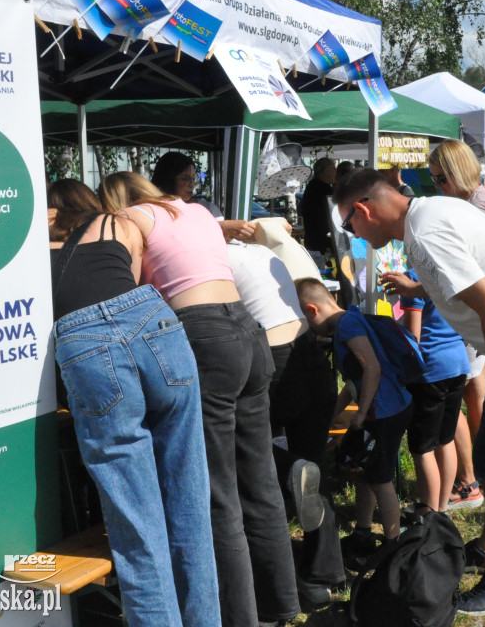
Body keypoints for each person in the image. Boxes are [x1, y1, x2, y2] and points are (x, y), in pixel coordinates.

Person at [336, 168, 485, 616]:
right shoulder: (428, 213)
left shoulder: (424, 233)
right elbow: (469, 269)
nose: (350, 232)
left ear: (364, 210)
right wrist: (418, 286)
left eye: (347, 224)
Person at [99, 172, 299, 627]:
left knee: (217, 492)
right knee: (260, 479)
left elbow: (128, 294)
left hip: (202, 334)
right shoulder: (194, 211)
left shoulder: (128, 219)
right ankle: (279, 605)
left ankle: (237, 617)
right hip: (248, 330)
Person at [48, 179, 220, 627]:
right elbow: (137, 278)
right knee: (190, 500)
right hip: (151, 321)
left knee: (136, 527)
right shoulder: (113, 223)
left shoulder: (31, 252)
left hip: (86, 343)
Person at [224, 240, 345, 609]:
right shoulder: (261, 252)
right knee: (313, 470)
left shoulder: (214, 258)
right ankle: (326, 570)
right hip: (309, 355)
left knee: (252, 460)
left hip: (273, 361)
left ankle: (281, 581)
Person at [295, 278, 414, 554]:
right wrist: (333, 414)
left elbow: (371, 368)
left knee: (380, 479)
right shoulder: (347, 323)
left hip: (387, 412)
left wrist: (360, 413)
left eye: (305, 320)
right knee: (364, 473)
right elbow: (353, 382)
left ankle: (393, 546)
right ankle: (362, 532)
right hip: (380, 410)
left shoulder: (347, 326)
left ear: (312, 310)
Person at [425, 139, 485, 509]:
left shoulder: (478, 208)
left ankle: (470, 479)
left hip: (476, 316)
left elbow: (471, 270)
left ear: (459, 172)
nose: (438, 188)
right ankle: (482, 474)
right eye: (434, 181)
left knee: (465, 393)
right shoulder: (475, 202)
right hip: (476, 316)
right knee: (474, 392)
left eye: (442, 179)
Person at [398, 268, 470, 512]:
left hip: (430, 369)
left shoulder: (413, 278)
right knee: (445, 439)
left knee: (422, 448)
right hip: (458, 362)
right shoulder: (449, 272)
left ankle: (427, 512)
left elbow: (412, 335)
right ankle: (441, 509)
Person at [150, 151, 256, 242]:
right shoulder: (152, 210)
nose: (191, 185)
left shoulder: (207, 208)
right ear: (167, 180)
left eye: (193, 179)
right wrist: (221, 226)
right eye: (184, 179)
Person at [301, 157, 338, 254]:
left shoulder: (312, 186)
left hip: (313, 241)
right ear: (326, 171)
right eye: (334, 168)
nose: (336, 172)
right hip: (322, 244)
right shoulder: (323, 189)